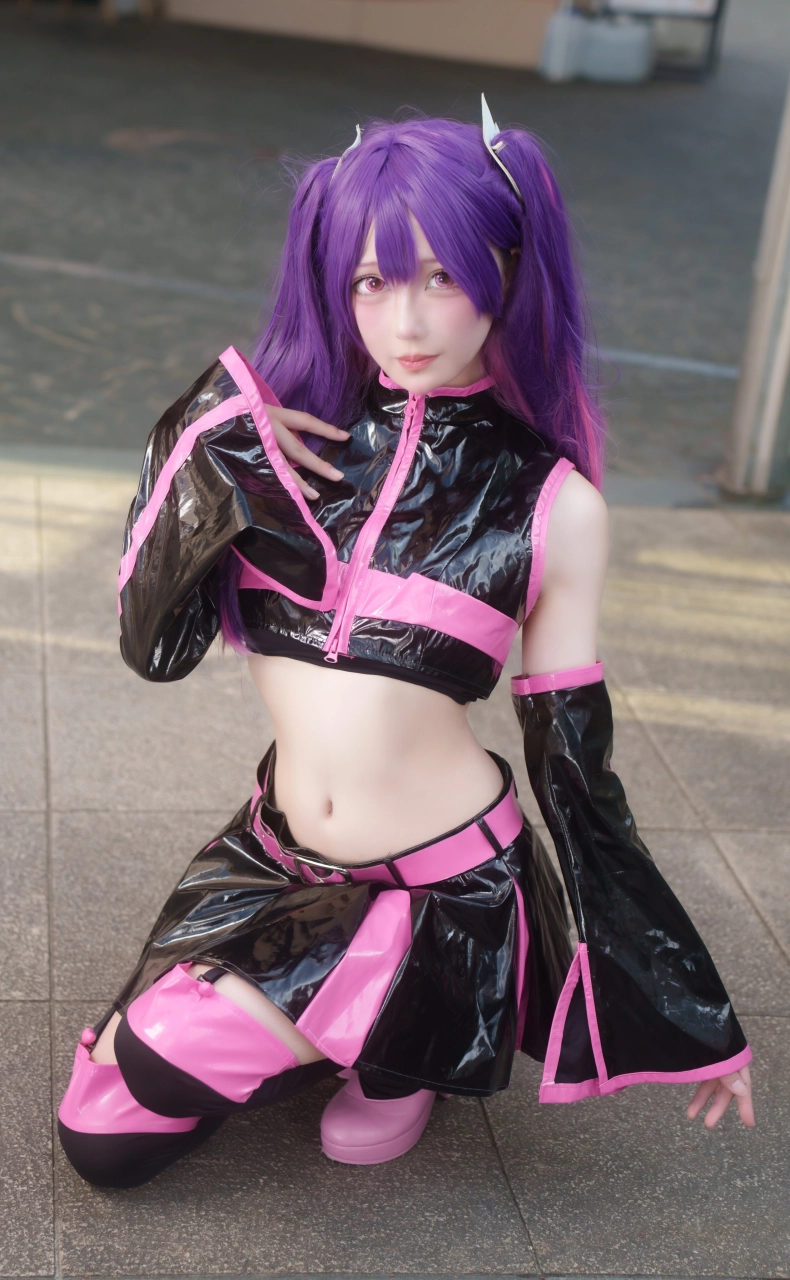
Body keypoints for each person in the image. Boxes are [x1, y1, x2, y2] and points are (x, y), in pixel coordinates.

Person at [57, 106, 754, 1190]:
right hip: (276, 859)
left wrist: (688, 1006)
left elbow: (576, 770)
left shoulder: (551, 504)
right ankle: (350, 1024)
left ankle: (397, 1031)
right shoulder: (276, 450)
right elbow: (154, 647)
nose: (409, 320)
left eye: (442, 276)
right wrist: (199, 438)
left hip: (443, 894)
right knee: (98, 1130)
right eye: (372, 282)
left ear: (506, 271)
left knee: (148, 1077)